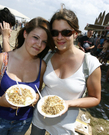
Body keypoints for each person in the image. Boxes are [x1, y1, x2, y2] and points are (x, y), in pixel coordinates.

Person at [31, 4, 101, 135]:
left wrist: (68, 103)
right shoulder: (47, 56)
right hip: (39, 117)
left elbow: (95, 98)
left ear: (75, 33)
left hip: (64, 126)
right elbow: (38, 86)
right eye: (54, 33)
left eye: (66, 32)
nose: (59, 37)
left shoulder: (90, 63)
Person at [0, 17, 55, 135]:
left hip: (23, 122)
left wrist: (36, 97)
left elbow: (37, 90)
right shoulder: (3, 59)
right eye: (35, 37)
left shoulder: (42, 65)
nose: (39, 44)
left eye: (44, 42)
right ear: (25, 34)